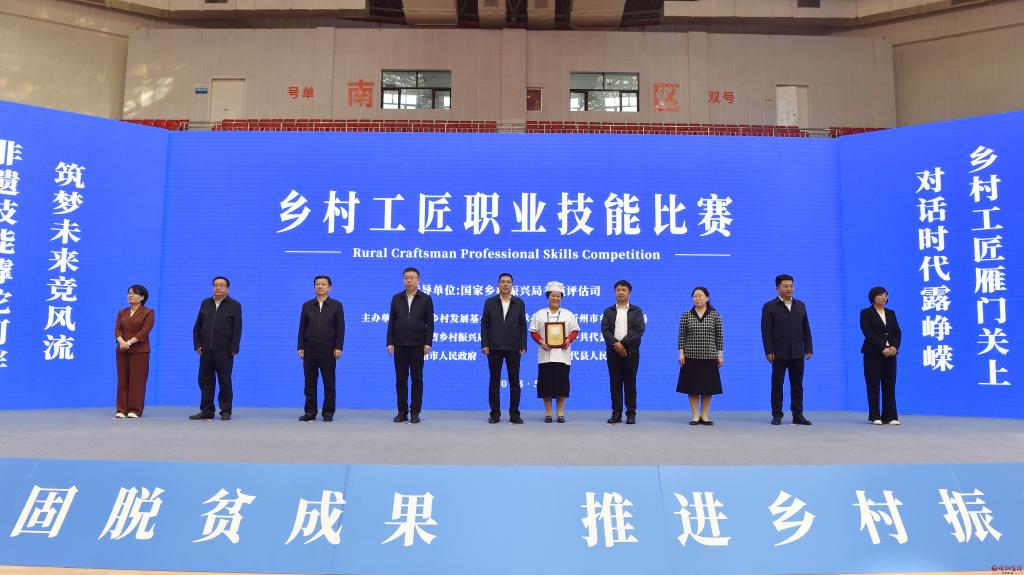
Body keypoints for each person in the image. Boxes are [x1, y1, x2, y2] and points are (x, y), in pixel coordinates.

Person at [761, 274, 813, 425]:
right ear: (777, 288)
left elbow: (806, 328)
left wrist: (808, 347)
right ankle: (777, 415)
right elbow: (766, 331)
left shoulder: (801, 305)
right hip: (778, 353)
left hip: (797, 352)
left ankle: (798, 415)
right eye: (785, 286)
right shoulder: (769, 306)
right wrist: (769, 351)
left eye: (791, 286)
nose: (789, 288)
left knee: (797, 386)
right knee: (777, 385)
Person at [190, 276, 242, 421]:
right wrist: (197, 345)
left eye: (221, 285)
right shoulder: (205, 303)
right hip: (205, 350)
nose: (218, 287)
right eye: (215, 285)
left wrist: (234, 347)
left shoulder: (234, 305)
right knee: (204, 380)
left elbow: (237, 329)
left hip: (224, 350)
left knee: (224, 381)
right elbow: (197, 327)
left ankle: (225, 411)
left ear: (227, 288)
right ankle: (207, 410)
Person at [386, 267, 434, 424]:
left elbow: (430, 323)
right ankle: (402, 411)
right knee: (401, 380)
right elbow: (391, 322)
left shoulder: (426, 299)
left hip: (418, 345)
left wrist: (428, 343)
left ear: (418, 280)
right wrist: (390, 342)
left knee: (417, 379)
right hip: (399, 344)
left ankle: (415, 412)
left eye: (412, 278)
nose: (409, 280)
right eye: (406, 277)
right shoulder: (396, 298)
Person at [480, 272, 528, 424]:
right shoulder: (489, 302)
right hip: (494, 347)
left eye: (508, 282)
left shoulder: (519, 303)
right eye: (503, 282)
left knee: (514, 381)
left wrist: (523, 345)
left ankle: (514, 414)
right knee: (494, 380)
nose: (505, 284)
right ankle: (495, 414)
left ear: (512, 285)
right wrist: (484, 344)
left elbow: (522, 325)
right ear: (498, 284)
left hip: (513, 347)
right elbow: (485, 324)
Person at [530, 281, 580, 423]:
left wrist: (568, 340)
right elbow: (533, 332)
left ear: (561, 298)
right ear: (548, 297)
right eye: (553, 295)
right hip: (545, 356)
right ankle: (548, 413)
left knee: (561, 385)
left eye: (558, 296)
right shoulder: (539, 314)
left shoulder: (568, 314)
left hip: (562, 356)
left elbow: (575, 331)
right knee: (545, 385)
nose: (555, 298)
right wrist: (541, 341)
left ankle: (560, 413)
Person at [297, 275, 345, 422]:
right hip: (309, 349)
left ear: (330, 287)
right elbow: (302, 327)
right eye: (317, 284)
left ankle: (328, 413)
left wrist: (338, 347)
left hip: (328, 350)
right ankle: (310, 412)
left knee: (329, 383)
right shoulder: (307, 305)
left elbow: (340, 328)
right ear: (314, 287)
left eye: (323, 284)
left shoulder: (336, 305)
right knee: (309, 383)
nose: (320, 286)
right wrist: (300, 346)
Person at [676, 287, 723, 425]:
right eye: (695, 296)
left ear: (707, 298)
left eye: (700, 296)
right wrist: (681, 353)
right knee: (692, 388)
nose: (697, 298)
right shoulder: (686, 315)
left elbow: (719, 336)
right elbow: (681, 336)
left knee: (708, 389)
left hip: (710, 357)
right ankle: (695, 415)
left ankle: (705, 415)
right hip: (690, 357)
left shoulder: (715, 315)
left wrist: (720, 355)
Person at [600, 280, 645, 424]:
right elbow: (605, 330)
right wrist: (616, 344)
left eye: (624, 290)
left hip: (631, 352)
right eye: (618, 290)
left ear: (629, 293)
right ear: (615, 292)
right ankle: (616, 413)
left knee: (630, 383)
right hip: (613, 352)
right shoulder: (608, 311)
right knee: (615, 383)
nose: (620, 292)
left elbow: (639, 330)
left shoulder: (636, 311)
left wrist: (623, 344)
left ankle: (631, 413)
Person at [860, 286, 901, 426]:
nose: (884, 297)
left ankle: (890, 416)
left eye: (886, 295)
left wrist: (895, 347)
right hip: (873, 353)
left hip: (891, 354)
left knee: (890, 384)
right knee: (873, 384)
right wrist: (883, 348)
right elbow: (868, 332)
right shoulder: (865, 313)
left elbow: (897, 332)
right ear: (873, 297)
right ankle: (875, 415)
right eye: (881, 295)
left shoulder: (891, 313)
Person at [114, 284, 155, 419]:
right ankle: (121, 409)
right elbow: (117, 328)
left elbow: (145, 331)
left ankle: (135, 410)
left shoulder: (149, 312)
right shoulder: (122, 312)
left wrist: (129, 342)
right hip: (122, 350)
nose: (130, 295)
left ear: (142, 297)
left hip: (140, 350)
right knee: (122, 379)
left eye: (134, 293)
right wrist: (121, 341)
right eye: (129, 293)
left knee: (137, 381)